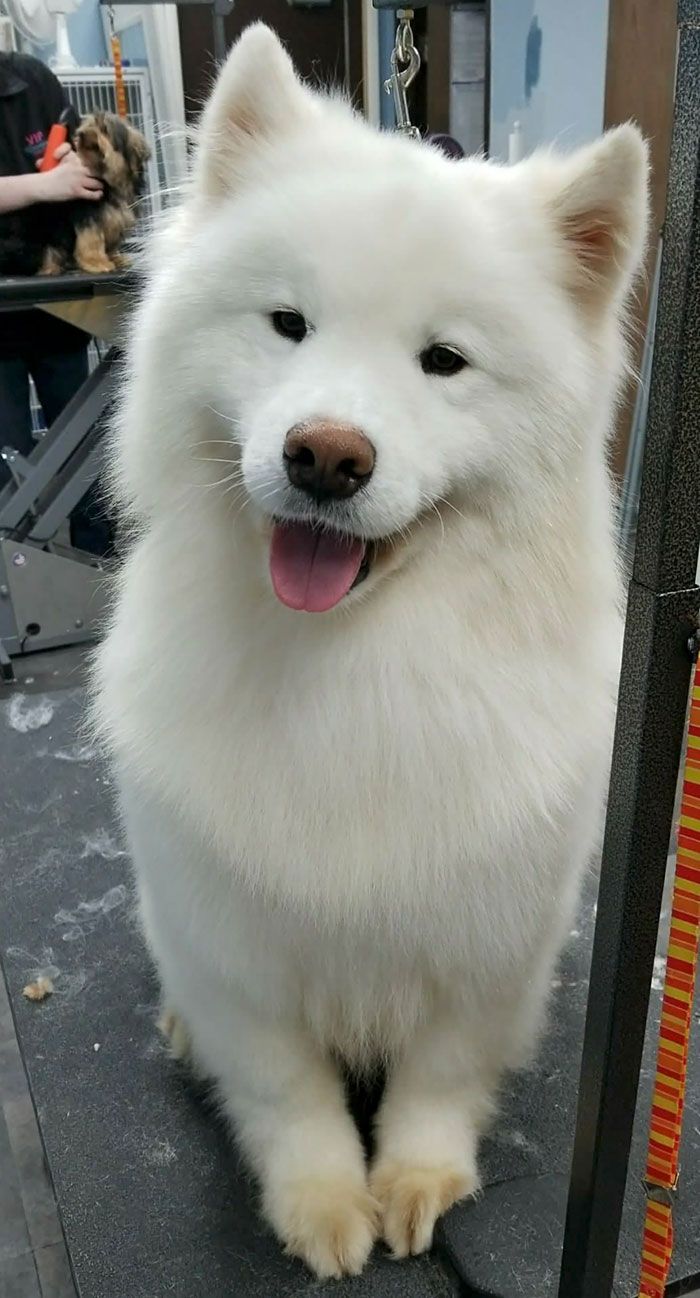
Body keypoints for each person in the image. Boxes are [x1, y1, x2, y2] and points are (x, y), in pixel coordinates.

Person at [0, 51, 109, 550]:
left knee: (85, 450)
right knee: (7, 459)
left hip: (54, 306)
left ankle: (100, 562)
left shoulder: (31, 79)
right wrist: (45, 185)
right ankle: (15, 574)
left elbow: (70, 139)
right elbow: (50, 183)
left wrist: (73, 159)